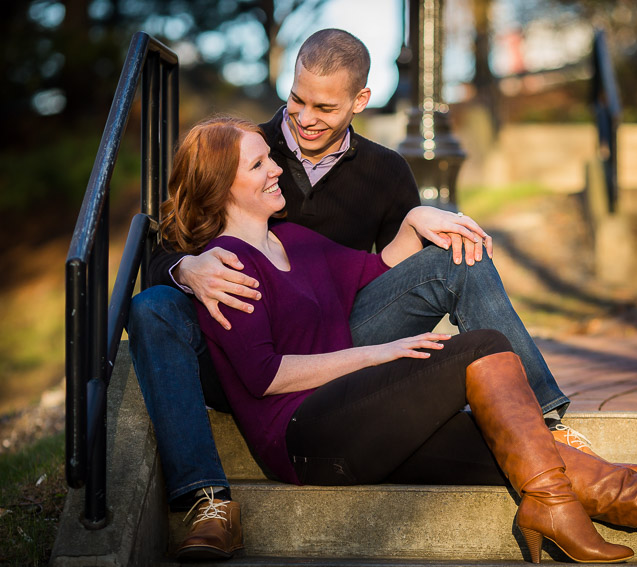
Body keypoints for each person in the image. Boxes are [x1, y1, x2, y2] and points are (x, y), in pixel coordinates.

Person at [167, 115, 637, 565]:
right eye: (258, 164)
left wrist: (415, 220)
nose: (277, 167)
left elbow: (378, 278)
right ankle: (558, 510)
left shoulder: (295, 241)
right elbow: (265, 377)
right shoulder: (225, 266)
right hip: (302, 438)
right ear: (223, 186)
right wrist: (376, 354)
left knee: (520, 446)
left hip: (362, 421)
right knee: (481, 345)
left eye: (269, 158)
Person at [128, 28, 584, 559]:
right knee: (154, 304)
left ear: (359, 101)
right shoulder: (244, 151)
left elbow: (380, 271)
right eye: (296, 99)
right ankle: (207, 500)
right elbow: (165, 244)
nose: (303, 118)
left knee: (460, 257)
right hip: (241, 343)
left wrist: (416, 219)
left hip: (341, 329)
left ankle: (544, 419)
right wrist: (187, 267)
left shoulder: (385, 170)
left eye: (324, 106)